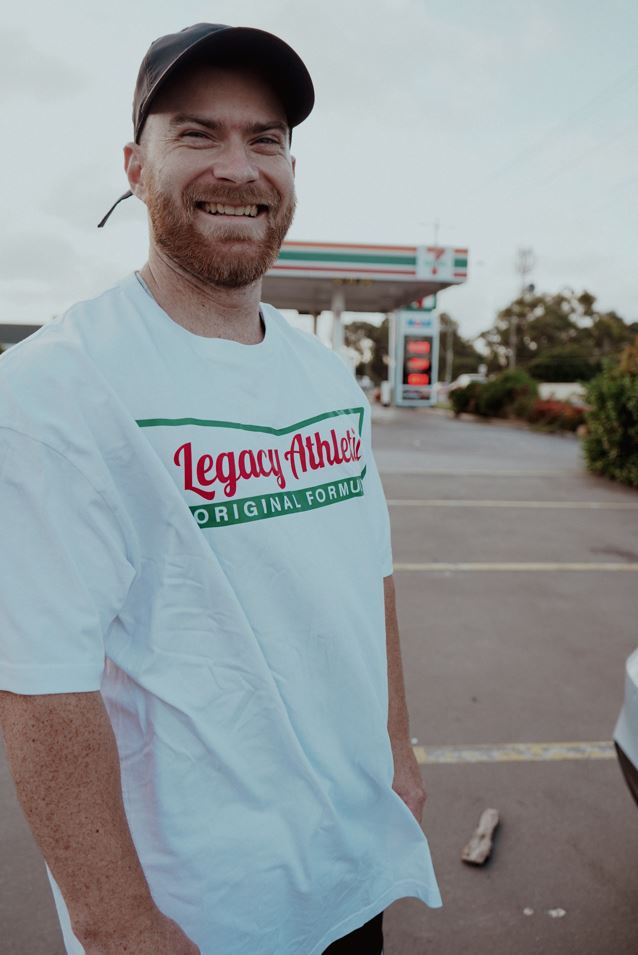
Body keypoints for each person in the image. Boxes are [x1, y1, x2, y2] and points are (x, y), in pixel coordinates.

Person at [0, 23, 441, 955]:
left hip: (351, 868)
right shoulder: (57, 387)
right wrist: (120, 924)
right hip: (202, 910)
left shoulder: (325, 377)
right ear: (135, 162)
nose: (239, 167)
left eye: (266, 138)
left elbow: (374, 574)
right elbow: (40, 683)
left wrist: (397, 748)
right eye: (197, 134)